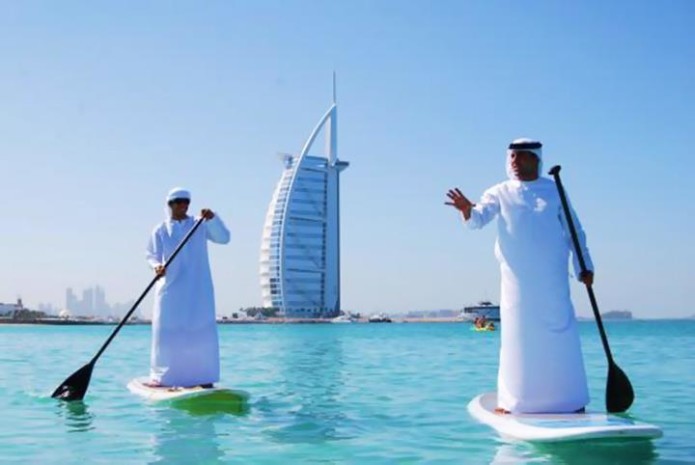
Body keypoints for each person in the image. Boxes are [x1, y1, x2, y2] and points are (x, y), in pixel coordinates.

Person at [446, 138, 594, 414]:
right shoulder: (499, 192)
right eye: (512, 156)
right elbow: (478, 219)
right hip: (517, 281)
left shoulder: (555, 190)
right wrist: (467, 209)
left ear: (536, 159)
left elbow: (574, 231)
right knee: (518, 337)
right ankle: (514, 401)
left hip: (552, 278)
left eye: (521, 156)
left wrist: (584, 266)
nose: (514, 161)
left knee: (559, 335)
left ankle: (570, 401)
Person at [145, 187, 230, 388]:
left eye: (186, 201)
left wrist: (213, 219)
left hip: (198, 289)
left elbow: (224, 238)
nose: (183, 205)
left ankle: (203, 378)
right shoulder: (160, 229)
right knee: (167, 333)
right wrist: (156, 266)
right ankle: (163, 377)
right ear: (170, 204)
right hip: (170, 289)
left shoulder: (199, 224)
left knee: (201, 333)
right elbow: (151, 255)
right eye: (179, 201)